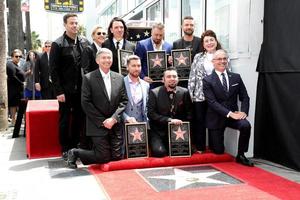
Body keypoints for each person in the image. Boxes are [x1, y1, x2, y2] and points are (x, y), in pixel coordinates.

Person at [66, 48, 128, 169]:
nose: (107, 60)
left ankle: (97, 151)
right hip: (97, 125)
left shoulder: (119, 78)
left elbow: (124, 101)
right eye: (104, 58)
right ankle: (75, 152)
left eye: (109, 57)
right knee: (103, 157)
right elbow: (86, 103)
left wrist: (114, 119)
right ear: (97, 60)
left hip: (114, 124)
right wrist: (102, 121)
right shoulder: (88, 78)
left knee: (116, 157)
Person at [203, 49, 254, 167]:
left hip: (234, 116)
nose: (222, 61)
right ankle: (216, 144)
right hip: (216, 117)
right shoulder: (207, 80)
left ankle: (241, 155)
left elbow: (245, 97)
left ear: (227, 60)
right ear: (213, 62)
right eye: (219, 59)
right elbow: (212, 103)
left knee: (245, 125)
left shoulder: (236, 77)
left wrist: (244, 112)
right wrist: (230, 113)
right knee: (218, 151)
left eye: (224, 58)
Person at [50, 13, 90, 159]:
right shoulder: (57, 44)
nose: (75, 25)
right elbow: (53, 70)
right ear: (65, 25)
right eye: (71, 23)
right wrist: (58, 91)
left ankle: (75, 146)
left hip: (82, 89)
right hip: (65, 91)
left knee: (80, 119)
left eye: (76, 23)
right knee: (65, 120)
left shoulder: (85, 42)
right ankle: (65, 148)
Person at [188, 30, 222, 153]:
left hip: (216, 95)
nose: (209, 43)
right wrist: (190, 92)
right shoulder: (198, 57)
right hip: (199, 94)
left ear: (216, 41)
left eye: (211, 40)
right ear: (203, 44)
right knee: (200, 120)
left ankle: (214, 146)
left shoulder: (221, 56)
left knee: (214, 121)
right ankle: (200, 147)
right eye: (206, 41)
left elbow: (228, 73)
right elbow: (192, 75)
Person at [147, 67, 192, 157]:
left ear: (178, 79)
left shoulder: (185, 92)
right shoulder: (154, 93)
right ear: (163, 80)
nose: (172, 79)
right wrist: (169, 120)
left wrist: (186, 131)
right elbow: (151, 114)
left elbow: (189, 113)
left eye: (174, 76)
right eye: (169, 76)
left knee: (182, 152)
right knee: (159, 152)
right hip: (159, 131)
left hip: (178, 131)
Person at [123, 55, 150, 124]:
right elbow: (115, 106)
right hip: (124, 125)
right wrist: (126, 118)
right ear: (127, 67)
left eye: (139, 66)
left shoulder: (146, 85)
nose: (137, 68)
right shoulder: (120, 83)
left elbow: (146, 106)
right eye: (133, 66)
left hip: (142, 125)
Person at [6, 49, 25, 126]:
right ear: (12, 57)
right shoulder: (10, 64)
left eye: (20, 56)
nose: (18, 58)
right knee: (13, 105)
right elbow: (13, 77)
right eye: (16, 56)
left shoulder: (16, 64)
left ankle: (17, 120)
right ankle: (13, 121)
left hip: (18, 89)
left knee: (18, 104)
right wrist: (22, 83)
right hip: (13, 89)